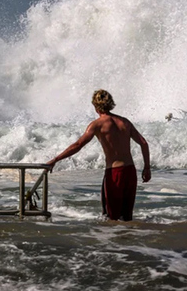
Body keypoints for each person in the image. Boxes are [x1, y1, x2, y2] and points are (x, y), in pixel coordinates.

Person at [46, 89, 151, 221]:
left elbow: (78, 145)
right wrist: (147, 167)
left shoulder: (97, 125)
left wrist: (55, 159)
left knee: (112, 218)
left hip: (114, 173)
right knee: (127, 217)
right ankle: (128, 240)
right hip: (130, 172)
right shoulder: (125, 122)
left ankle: (113, 241)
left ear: (95, 106)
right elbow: (144, 143)